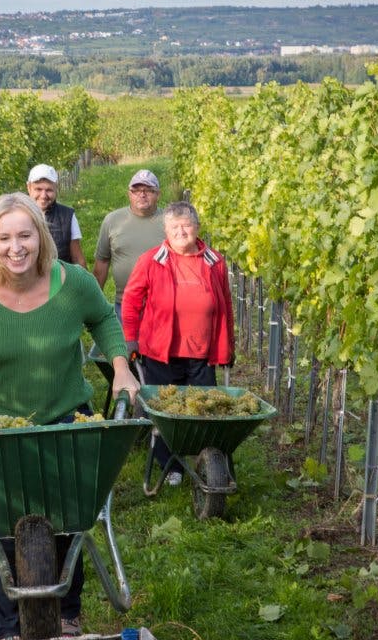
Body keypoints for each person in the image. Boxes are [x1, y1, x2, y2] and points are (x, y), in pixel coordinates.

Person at [0, 192, 139, 640]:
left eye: (25, 235)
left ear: (41, 236)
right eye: (4, 238)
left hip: (66, 420)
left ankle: (67, 615)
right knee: (2, 528)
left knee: (69, 521)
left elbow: (104, 320)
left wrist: (121, 368)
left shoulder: (74, 283)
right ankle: (8, 629)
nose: (16, 247)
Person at [121, 201, 235, 486]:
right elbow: (131, 301)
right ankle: (170, 465)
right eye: (174, 227)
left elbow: (225, 305)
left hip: (202, 352)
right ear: (166, 230)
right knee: (166, 412)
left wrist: (228, 345)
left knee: (203, 410)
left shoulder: (214, 261)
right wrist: (130, 338)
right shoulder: (152, 260)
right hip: (161, 352)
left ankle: (202, 458)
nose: (181, 231)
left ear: (197, 227)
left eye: (186, 225)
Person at [93, 169, 166, 317]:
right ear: (129, 194)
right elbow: (102, 262)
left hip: (163, 305)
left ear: (158, 194)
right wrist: (94, 301)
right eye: (136, 190)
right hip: (124, 305)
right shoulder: (112, 220)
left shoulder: (170, 221)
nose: (142, 194)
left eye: (148, 190)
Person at [26, 163, 87, 268]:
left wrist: (84, 277)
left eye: (49, 190)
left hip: (60, 276)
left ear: (56, 188)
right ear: (29, 187)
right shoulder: (16, 216)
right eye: (38, 189)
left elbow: (77, 258)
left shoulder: (67, 216)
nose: (43, 195)